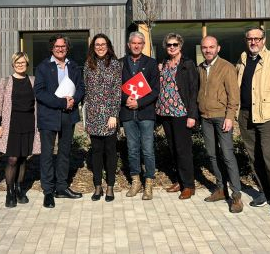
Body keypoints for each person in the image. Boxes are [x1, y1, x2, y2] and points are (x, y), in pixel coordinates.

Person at [236, 26, 270, 216]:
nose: (253, 42)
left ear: (264, 40)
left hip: (267, 115)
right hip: (245, 114)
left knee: (269, 155)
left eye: (257, 39)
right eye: (250, 39)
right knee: (254, 156)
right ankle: (264, 192)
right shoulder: (243, 58)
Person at [34, 34, 86, 208]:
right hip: (49, 115)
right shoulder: (43, 67)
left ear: (67, 48)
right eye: (57, 46)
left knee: (64, 153)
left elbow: (80, 87)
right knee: (47, 154)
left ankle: (62, 187)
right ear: (52, 48)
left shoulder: (74, 66)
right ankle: (48, 191)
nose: (60, 49)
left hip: (68, 115)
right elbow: (40, 93)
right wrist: (62, 102)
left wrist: (73, 100)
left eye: (63, 46)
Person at [197, 36, 243, 213]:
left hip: (222, 117)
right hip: (205, 117)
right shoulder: (201, 68)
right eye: (205, 47)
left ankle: (236, 196)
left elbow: (234, 95)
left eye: (211, 47)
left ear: (218, 48)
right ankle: (221, 188)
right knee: (211, 154)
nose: (208, 50)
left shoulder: (226, 67)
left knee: (227, 154)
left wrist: (230, 116)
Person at [0, 52, 41, 208]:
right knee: (12, 158)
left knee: (23, 157)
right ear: (13, 64)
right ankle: (9, 192)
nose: (20, 65)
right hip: (11, 124)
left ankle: (20, 189)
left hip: (28, 124)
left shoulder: (33, 81)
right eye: (17, 63)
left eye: (23, 62)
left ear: (27, 64)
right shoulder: (5, 82)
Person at [156, 33, 199, 200]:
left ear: (180, 46)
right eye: (168, 45)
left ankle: (189, 185)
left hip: (181, 113)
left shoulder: (187, 64)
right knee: (173, 149)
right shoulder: (164, 63)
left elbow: (194, 91)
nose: (171, 47)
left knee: (183, 150)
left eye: (174, 44)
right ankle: (180, 180)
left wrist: (192, 115)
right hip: (165, 112)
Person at [121, 31, 159, 200]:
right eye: (133, 43)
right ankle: (135, 181)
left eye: (139, 43)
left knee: (148, 150)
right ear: (129, 45)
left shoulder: (151, 63)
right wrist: (125, 99)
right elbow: (115, 87)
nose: (136, 46)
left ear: (143, 45)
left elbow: (155, 90)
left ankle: (149, 183)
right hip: (128, 113)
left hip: (145, 113)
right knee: (132, 149)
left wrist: (139, 102)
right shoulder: (120, 63)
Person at [84, 34, 122, 202]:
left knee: (110, 152)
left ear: (108, 46)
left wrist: (114, 113)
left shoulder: (114, 64)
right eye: (97, 44)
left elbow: (117, 90)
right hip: (93, 114)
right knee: (96, 152)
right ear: (93, 46)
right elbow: (85, 89)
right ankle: (98, 186)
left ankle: (110, 186)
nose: (100, 47)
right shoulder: (88, 64)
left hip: (109, 116)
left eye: (103, 44)